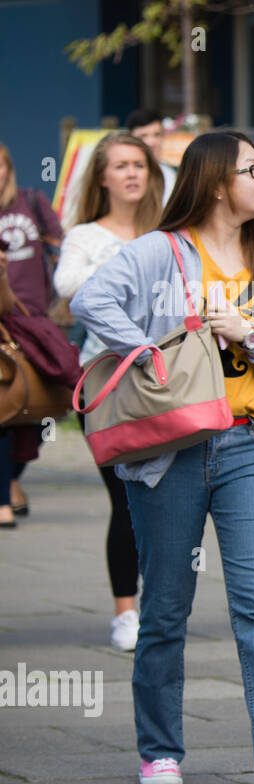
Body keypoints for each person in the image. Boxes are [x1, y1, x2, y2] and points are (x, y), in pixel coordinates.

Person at [71, 131, 254, 784]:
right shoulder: (160, 251)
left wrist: (250, 334)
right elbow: (88, 302)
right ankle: (159, 746)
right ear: (216, 183)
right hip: (172, 448)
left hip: (250, 444)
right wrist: (152, 352)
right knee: (165, 604)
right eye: (251, 170)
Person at [52, 131, 164, 651]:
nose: (131, 173)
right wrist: (127, 268)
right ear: (102, 177)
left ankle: (163, 605)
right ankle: (126, 611)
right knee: (123, 498)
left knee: (165, 501)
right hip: (106, 383)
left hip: (168, 379)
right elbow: (67, 286)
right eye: (120, 165)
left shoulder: (170, 231)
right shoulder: (84, 236)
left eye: (138, 163)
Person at [0, 141, 64, 517]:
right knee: (5, 408)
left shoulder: (32, 201)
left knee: (48, 400)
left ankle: (11, 477)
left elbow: (61, 246)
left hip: (34, 319)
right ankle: (4, 496)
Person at [125, 108, 178, 203]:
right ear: (129, 138)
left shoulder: (171, 174)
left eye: (157, 135)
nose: (151, 142)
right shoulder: (123, 174)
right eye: (143, 136)